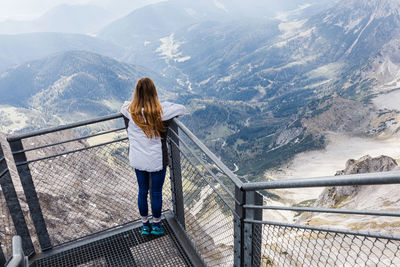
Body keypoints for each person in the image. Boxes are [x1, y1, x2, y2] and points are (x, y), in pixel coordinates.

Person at [120, 77, 186, 236]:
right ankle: (157, 225)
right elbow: (181, 109)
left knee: (142, 191)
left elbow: (124, 104)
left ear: (136, 93)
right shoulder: (160, 113)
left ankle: (144, 225)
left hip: (137, 159)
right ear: (154, 93)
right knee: (155, 192)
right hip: (156, 160)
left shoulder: (129, 111)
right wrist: (163, 104)